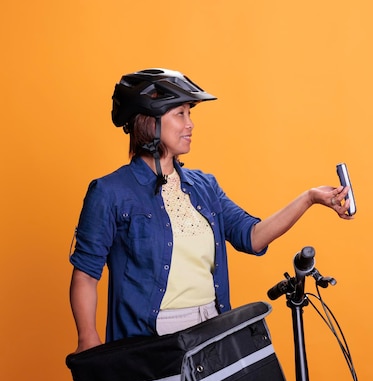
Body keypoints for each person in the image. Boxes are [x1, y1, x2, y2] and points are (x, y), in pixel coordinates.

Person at [69, 68, 352, 354]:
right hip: (150, 341)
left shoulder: (205, 186)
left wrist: (309, 198)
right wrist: (88, 339)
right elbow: (86, 274)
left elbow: (252, 236)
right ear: (149, 121)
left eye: (190, 114)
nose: (190, 124)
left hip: (211, 331)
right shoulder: (110, 192)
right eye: (180, 114)